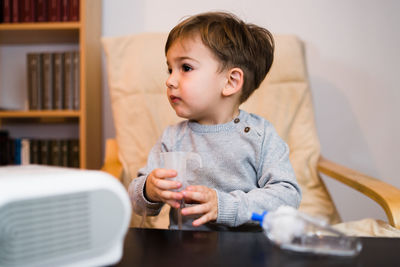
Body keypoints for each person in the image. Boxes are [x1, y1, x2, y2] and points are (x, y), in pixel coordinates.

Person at [129, 11, 301, 231]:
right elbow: (138, 204)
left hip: (246, 252)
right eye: (170, 69)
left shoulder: (260, 135)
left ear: (230, 81)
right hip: (186, 252)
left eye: (186, 68)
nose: (170, 80)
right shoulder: (173, 137)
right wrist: (148, 190)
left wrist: (226, 206)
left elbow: (288, 196)